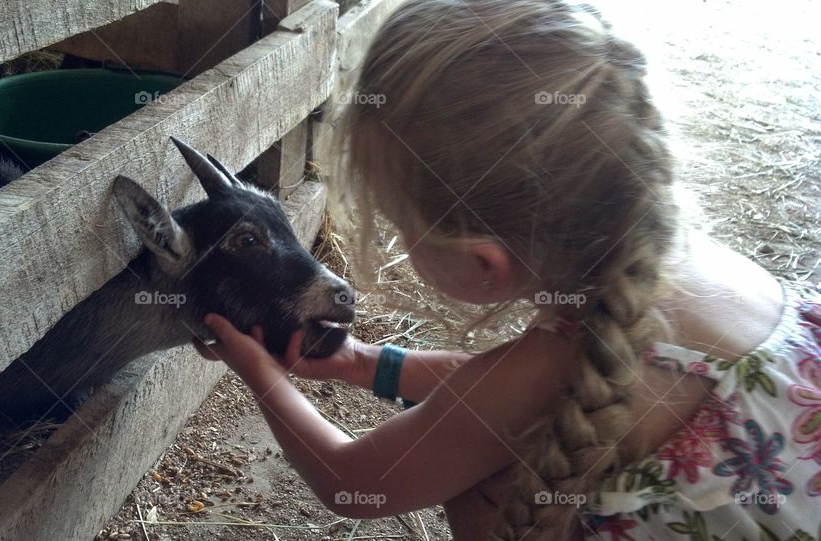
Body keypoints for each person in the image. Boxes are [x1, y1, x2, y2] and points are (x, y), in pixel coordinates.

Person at [194, 0, 821, 538]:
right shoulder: (701, 266)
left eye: (399, 223)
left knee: (485, 487)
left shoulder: (545, 371)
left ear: (482, 262)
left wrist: (259, 372)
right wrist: (364, 364)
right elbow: (498, 399)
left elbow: (353, 479)